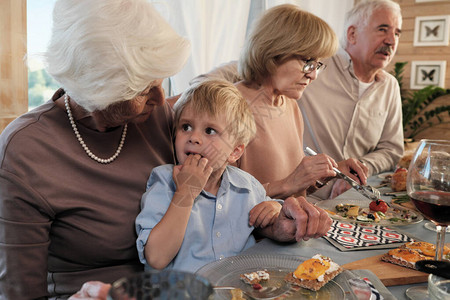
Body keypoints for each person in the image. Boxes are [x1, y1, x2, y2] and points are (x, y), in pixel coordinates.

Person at [0, 0, 191, 298]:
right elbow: (19, 292)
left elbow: (209, 192)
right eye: (142, 89)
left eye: (159, 79)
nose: (160, 96)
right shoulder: (25, 152)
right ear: (96, 89)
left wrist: (267, 210)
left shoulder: (155, 117)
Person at [135, 79, 332, 272]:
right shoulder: (163, 181)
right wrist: (185, 194)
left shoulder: (245, 185)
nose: (194, 138)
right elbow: (156, 259)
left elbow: (270, 225)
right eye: (185, 127)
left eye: (210, 131)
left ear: (235, 152)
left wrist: (274, 208)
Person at [299, 0, 404, 199]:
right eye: (383, 29)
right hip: (302, 200)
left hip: (356, 203)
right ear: (352, 34)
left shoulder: (390, 85)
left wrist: (361, 168)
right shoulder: (316, 64)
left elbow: (391, 149)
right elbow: (252, 66)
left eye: (397, 33)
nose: (391, 40)